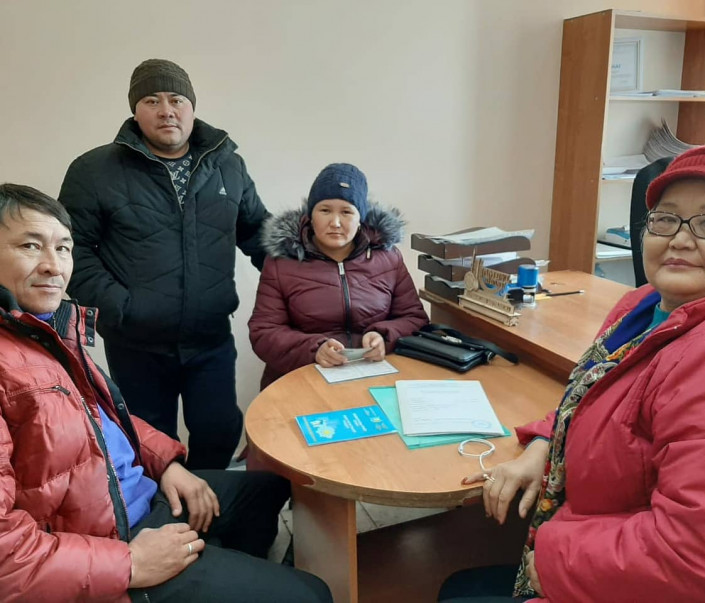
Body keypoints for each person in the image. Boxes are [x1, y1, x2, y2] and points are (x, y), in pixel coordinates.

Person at [0, 183, 331, 602]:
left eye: (64, 248)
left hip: (133, 496)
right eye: (30, 246)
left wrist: (167, 466)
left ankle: (228, 570)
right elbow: (7, 557)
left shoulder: (43, 331)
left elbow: (104, 423)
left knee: (267, 489)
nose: (54, 265)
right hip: (109, 542)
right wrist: (131, 564)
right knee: (312, 594)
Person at [438, 146, 705, 602]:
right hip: (583, 540)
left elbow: (688, 557)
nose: (680, 239)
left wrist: (552, 559)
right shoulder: (639, 306)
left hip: (608, 576)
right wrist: (542, 445)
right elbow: (592, 397)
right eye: (666, 219)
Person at [58, 59, 270, 470]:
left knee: (220, 429)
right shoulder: (94, 171)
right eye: (152, 100)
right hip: (136, 343)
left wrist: (307, 272)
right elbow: (71, 248)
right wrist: (122, 307)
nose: (166, 110)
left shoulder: (227, 164)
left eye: (176, 99)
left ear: (192, 107)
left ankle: (208, 502)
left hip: (210, 337)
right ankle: (165, 509)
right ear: (135, 111)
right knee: (150, 444)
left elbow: (257, 232)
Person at [248, 163, 428, 389]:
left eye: (346, 212)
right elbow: (264, 332)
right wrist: (314, 349)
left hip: (374, 376)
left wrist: (384, 337)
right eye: (325, 210)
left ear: (360, 217)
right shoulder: (281, 262)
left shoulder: (389, 258)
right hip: (303, 380)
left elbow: (415, 319)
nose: (335, 222)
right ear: (311, 215)